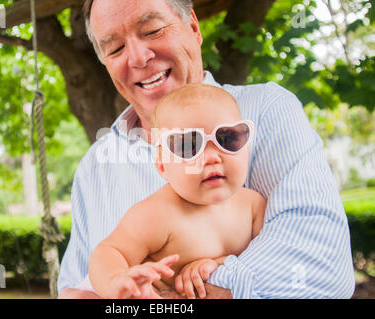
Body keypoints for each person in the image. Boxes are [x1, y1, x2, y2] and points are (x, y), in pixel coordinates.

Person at [58, 0, 355, 299]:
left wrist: (210, 276)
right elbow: (74, 288)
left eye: (152, 30)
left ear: (193, 27)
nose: (137, 57)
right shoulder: (95, 166)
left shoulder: (266, 111)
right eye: (115, 49)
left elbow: (320, 267)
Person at [87, 84, 266, 299]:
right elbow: (108, 252)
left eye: (227, 138)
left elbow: (269, 259)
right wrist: (117, 282)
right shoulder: (157, 214)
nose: (211, 157)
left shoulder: (254, 206)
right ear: (162, 165)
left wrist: (222, 264)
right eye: (189, 146)